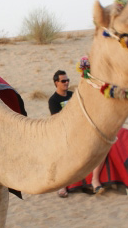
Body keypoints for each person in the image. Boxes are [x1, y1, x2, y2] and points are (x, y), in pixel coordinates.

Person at [48, 70, 74, 198]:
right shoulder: (53, 100)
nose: (66, 83)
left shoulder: (72, 95)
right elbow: (57, 120)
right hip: (62, 132)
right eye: (63, 81)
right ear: (56, 83)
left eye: (67, 80)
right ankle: (62, 186)